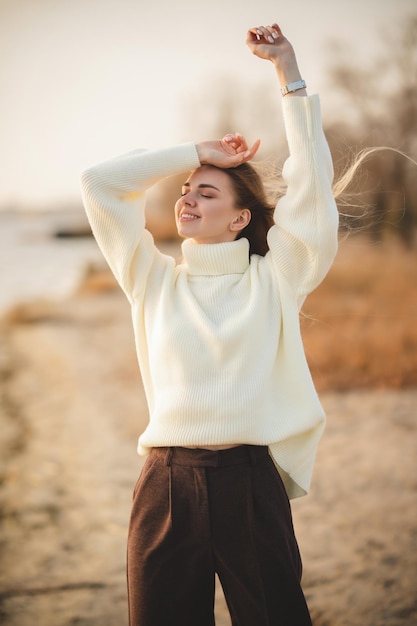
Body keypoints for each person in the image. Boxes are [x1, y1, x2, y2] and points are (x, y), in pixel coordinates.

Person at [80, 22, 339, 626]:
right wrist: (199, 152)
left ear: (240, 218)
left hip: (250, 482)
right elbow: (99, 184)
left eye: (207, 193)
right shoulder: (153, 279)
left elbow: (312, 196)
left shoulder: (275, 279)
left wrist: (289, 76)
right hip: (164, 485)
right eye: (185, 190)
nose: (186, 198)